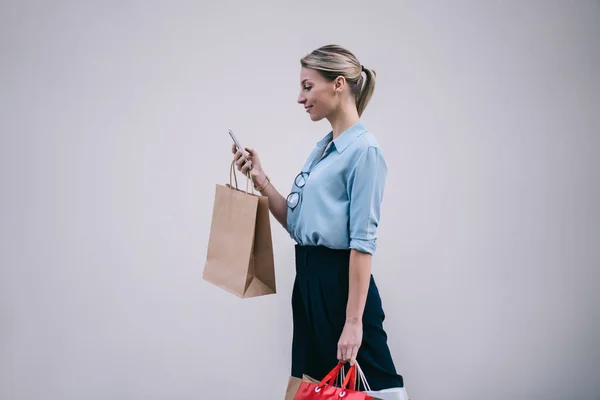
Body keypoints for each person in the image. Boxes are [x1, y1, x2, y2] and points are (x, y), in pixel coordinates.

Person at [231, 45, 405, 393]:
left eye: (307, 86)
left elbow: (362, 243)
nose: (300, 97)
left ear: (338, 84)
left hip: (340, 288)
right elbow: (299, 227)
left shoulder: (364, 151)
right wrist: (260, 179)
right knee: (314, 388)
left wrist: (353, 322)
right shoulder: (325, 148)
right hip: (309, 285)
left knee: (376, 389)